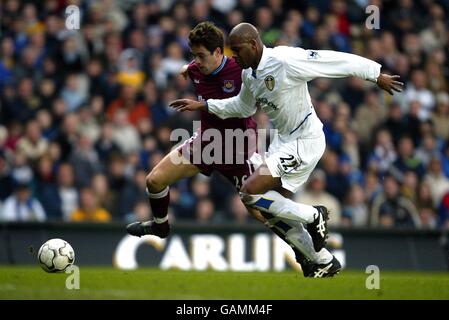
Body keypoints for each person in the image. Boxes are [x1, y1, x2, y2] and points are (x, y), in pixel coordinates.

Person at [170, 22, 403, 277]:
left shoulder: (285, 59)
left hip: (306, 139)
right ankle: (319, 259)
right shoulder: (249, 75)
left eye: (237, 50)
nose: (233, 56)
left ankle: (314, 216)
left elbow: (333, 61)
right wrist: (203, 106)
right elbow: (242, 107)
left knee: (250, 192)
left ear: (254, 44)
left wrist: (375, 74)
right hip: (283, 142)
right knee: (267, 208)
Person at [126, 22, 319, 277]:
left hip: (240, 148)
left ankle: (305, 251)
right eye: (193, 55)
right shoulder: (196, 68)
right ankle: (161, 227)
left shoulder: (240, 68)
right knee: (154, 180)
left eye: (201, 55)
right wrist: (187, 67)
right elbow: (191, 67)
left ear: (219, 53)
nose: (196, 61)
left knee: (262, 210)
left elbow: (262, 73)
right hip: (206, 142)